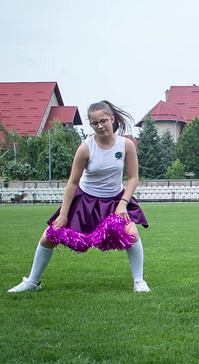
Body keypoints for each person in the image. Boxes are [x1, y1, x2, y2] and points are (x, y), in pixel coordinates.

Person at [8, 101, 150, 293]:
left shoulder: (126, 145)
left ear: (112, 119)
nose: (100, 126)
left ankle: (139, 281)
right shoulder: (85, 148)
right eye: (94, 123)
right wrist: (64, 215)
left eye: (103, 121)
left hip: (115, 201)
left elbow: (133, 178)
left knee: (132, 234)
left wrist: (123, 203)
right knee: (48, 237)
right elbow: (72, 183)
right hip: (85, 202)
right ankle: (33, 281)